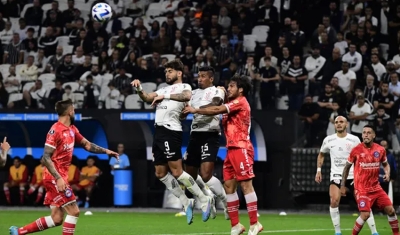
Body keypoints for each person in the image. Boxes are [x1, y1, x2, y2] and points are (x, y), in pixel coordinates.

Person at [9, 99, 119, 235]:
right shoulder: (55, 130)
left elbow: (87, 145)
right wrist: (58, 178)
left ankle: (19, 231)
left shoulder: (72, 129)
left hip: (60, 177)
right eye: (73, 109)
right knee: (74, 211)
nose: (75, 112)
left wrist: (107, 151)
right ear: (69, 111)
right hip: (55, 177)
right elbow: (46, 157)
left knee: (56, 218)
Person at [131, 59, 213, 225]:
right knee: (160, 173)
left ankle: (204, 199)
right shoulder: (162, 89)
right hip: (159, 132)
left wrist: (164, 96)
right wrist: (140, 88)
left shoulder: (185, 87)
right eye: (166, 71)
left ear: (179, 73)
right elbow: (147, 98)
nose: (167, 74)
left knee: (177, 172)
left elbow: (187, 96)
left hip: (171, 130)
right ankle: (185, 201)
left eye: (170, 71)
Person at [183, 74, 263, 235]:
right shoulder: (232, 102)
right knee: (229, 187)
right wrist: (220, 92)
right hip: (231, 149)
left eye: (232, 86)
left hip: (242, 148)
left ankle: (255, 224)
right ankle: (236, 225)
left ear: (241, 89)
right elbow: (220, 103)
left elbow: (218, 109)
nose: (228, 88)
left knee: (246, 186)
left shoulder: (241, 102)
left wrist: (195, 110)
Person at [315, 116, 378, 235]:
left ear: (347, 124)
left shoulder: (354, 140)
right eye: (336, 122)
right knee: (334, 201)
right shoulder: (328, 140)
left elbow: (363, 155)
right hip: (336, 176)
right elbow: (321, 154)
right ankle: (338, 232)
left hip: (354, 176)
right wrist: (319, 170)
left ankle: (374, 232)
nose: (338, 124)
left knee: (364, 204)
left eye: (341, 122)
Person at [180, 66, 228, 219]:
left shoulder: (217, 91)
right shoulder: (193, 93)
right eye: (198, 76)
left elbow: (215, 106)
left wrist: (195, 109)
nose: (199, 78)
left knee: (206, 174)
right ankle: (207, 197)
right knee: (190, 177)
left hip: (210, 134)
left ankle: (225, 202)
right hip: (195, 135)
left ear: (211, 78)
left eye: (203, 76)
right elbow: (184, 112)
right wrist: (181, 113)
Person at [341, 125, 399, 235]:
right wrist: (342, 185)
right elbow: (346, 167)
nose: (366, 135)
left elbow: (386, 164)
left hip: (376, 188)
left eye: (368, 132)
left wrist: (387, 173)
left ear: (373, 135)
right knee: (365, 215)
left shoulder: (380, 150)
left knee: (391, 211)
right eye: (364, 132)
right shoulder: (356, 150)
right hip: (362, 189)